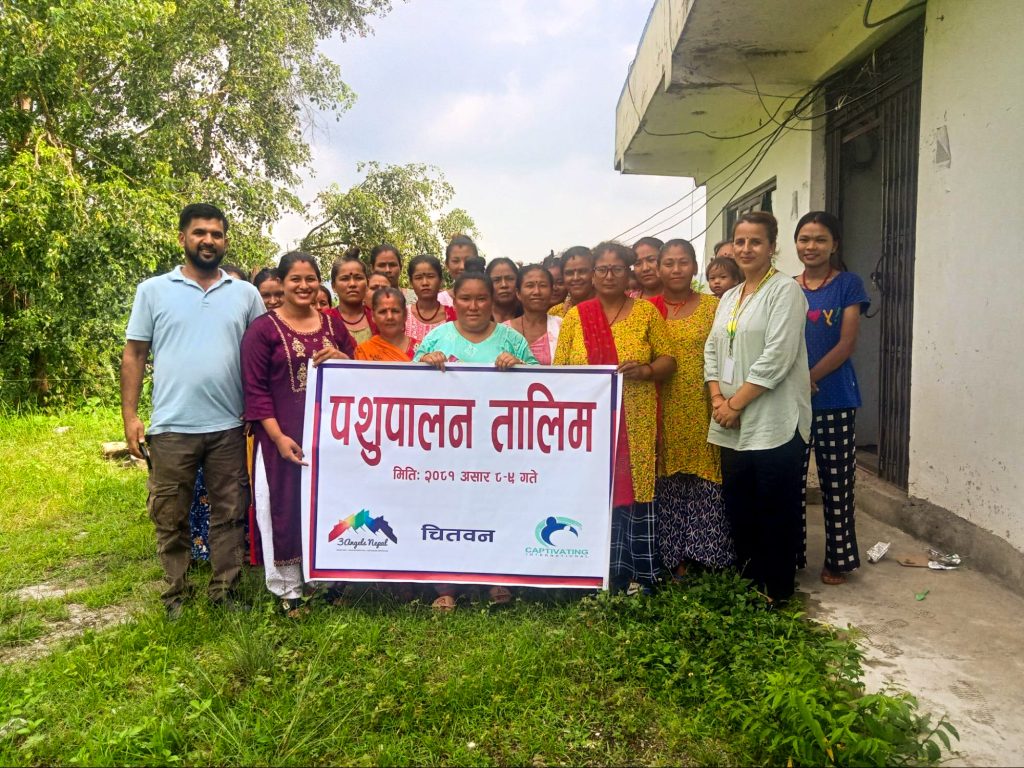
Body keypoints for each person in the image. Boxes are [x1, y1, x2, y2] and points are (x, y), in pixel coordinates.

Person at [121, 203, 265, 619]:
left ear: (225, 241)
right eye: (200, 233)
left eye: (217, 234)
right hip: (171, 426)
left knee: (230, 512)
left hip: (229, 425)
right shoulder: (153, 290)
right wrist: (130, 417)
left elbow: (261, 352)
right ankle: (174, 595)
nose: (208, 240)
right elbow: (134, 354)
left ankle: (226, 591)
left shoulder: (245, 294)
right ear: (183, 237)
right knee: (170, 514)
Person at [554, 242, 675, 594]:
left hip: (634, 420)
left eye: (617, 269)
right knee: (589, 492)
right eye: (602, 269)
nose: (609, 276)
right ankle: (590, 571)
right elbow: (560, 372)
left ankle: (636, 572)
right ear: (592, 274)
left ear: (629, 273)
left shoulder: (646, 314)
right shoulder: (577, 317)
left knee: (635, 490)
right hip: (587, 426)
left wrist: (647, 369)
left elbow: (669, 361)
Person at [704, 211, 811, 605]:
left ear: (771, 247)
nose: (746, 249)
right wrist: (717, 398)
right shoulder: (730, 296)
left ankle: (778, 592)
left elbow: (776, 358)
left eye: (756, 242)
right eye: (740, 241)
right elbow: (713, 349)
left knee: (775, 510)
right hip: (731, 423)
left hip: (773, 420)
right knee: (740, 508)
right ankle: (749, 587)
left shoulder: (785, 291)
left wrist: (734, 403)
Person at [415, 270, 538, 611]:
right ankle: (446, 587)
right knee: (448, 509)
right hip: (445, 446)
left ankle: (497, 579)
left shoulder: (511, 339)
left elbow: (542, 389)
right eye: (465, 298)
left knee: (496, 507)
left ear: (492, 300)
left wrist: (520, 367)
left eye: (481, 298)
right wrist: (424, 364)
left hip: (499, 445)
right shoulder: (436, 338)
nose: (473, 305)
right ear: (453, 301)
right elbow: (406, 387)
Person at [241, 251, 355, 615]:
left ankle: (327, 580)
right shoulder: (262, 330)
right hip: (282, 441)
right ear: (283, 282)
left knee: (329, 505)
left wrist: (342, 360)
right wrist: (276, 437)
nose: (304, 286)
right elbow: (255, 391)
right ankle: (288, 590)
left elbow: (360, 372)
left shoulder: (334, 326)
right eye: (296, 279)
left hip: (329, 440)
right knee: (282, 507)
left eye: (310, 279)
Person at [648, 240, 733, 577]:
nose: (676, 269)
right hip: (660, 405)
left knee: (705, 478)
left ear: (695, 267)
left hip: (704, 403)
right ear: (658, 269)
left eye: (683, 262)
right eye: (668, 263)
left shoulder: (717, 306)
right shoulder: (646, 309)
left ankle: (707, 556)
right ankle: (673, 557)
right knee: (666, 479)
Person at [795, 211, 870, 586]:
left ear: (834, 245)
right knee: (790, 482)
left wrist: (809, 377)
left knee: (837, 483)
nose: (811, 246)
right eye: (805, 239)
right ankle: (792, 556)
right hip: (790, 403)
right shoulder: (785, 287)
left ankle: (838, 559)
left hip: (835, 398)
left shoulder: (848, 285)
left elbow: (847, 343)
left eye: (820, 239)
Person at [504, 264, 562, 365]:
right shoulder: (503, 331)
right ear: (518, 293)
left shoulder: (562, 326)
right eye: (530, 285)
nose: (537, 292)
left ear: (551, 291)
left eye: (543, 285)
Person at [324, 248, 377, 345]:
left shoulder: (379, 318)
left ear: (367, 284)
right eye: (345, 279)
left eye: (358, 278)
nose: (352, 284)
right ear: (334, 286)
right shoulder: (324, 320)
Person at [355, 287, 419, 361]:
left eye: (395, 311)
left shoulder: (421, 350)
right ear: (373, 316)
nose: (389, 317)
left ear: (405, 314)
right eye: (383, 312)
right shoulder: (363, 351)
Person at [406, 254, 456, 340]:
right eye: (418, 278)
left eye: (430, 276)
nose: (425, 283)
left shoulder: (454, 316)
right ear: (411, 282)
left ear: (441, 281)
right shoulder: (403, 315)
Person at [548, 245, 595, 318]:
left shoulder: (609, 308)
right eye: (569, 273)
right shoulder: (554, 313)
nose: (576, 278)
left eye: (582, 271)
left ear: (594, 273)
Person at [438, 235, 478, 308]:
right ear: (447, 264)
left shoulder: (489, 299)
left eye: (467, 260)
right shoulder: (438, 301)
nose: (462, 266)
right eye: (455, 261)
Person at [487, 257, 523, 322]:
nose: (504, 285)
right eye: (496, 280)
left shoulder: (529, 315)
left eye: (510, 279)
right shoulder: (480, 316)